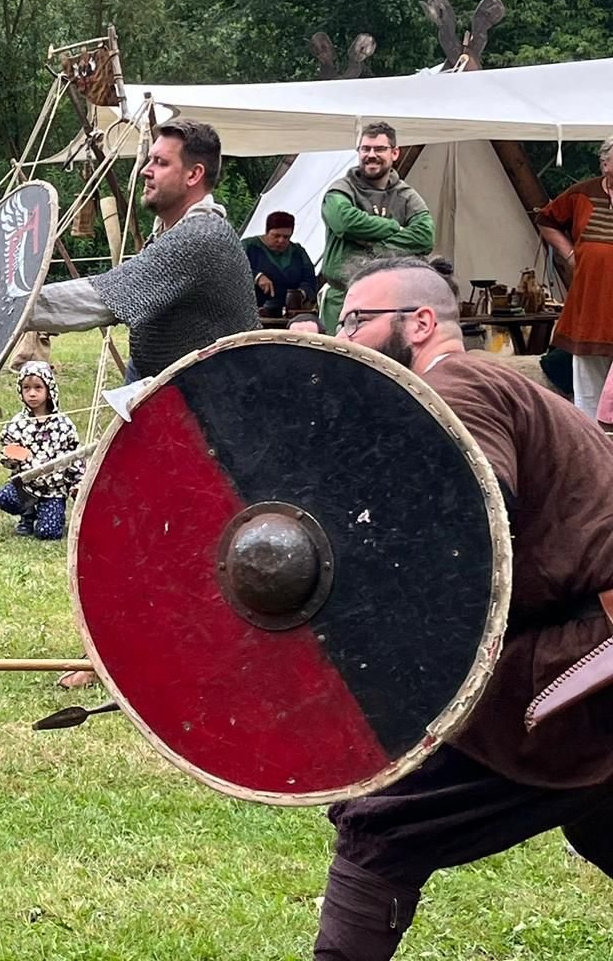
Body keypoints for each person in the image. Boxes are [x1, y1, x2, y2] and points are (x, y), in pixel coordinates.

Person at [315, 255, 613, 960]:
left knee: (382, 825)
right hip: (585, 639)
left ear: (420, 323)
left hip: (588, 660)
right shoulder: (493, 385)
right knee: (599, 813)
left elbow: (467, 534)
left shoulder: (456, 383)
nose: (343, 336)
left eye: (357, 320)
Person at [9, 119, 259, 378]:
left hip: (213, 399)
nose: (145, 170)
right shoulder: (172, 232)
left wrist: (10, 307)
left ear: (193, 175)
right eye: (150, 160)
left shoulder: (202, 236)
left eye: (161, 163)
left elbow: (100, 299)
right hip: (164, 381)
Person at [316, 121, 434, 333]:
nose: (371, 154)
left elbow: (424, 237)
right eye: (365, 149)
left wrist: (372, 244)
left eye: (379, 149)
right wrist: (392, 227)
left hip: (391, 303)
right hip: (344, 297)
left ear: (395, 153)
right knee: (339, 361)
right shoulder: (340, 191)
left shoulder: (405, 195)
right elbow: (344, 222)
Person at [537, 136, 613, 416]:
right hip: (590, 308)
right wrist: (569, 255)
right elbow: (547, 220)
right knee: (589, 395)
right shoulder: (582, 194)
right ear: (605, 164)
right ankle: (593, 448)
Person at [0, 361, 84, 540]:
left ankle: (51, 513)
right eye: (26, 388)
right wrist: (12, 457)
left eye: (38, 388)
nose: (32, 393)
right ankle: (27, 513)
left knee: (48, 533)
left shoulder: (63, 425)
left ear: (49, 390)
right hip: (26, 486)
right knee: (4, 497)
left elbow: (75, 457)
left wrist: (76, 484)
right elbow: (6, 452)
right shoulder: (17, 423)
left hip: (53, 490)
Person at [244, 210, 317, 315]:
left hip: (288, 314)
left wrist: (301, 294)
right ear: (267, 232)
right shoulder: (248, 247)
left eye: (286, 237)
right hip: (252, 311)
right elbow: (231, 269)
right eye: (276, 236)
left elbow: (310, 280)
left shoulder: (298, 252)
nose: (281, 240)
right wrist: (257, 276)